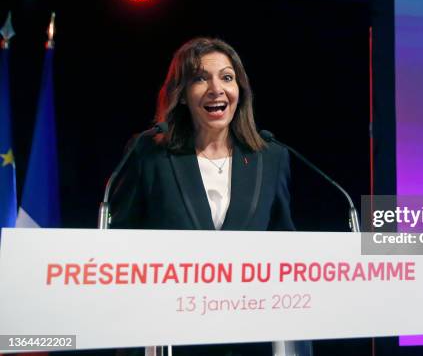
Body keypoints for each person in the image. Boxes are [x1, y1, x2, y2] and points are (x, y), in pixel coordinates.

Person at [110, 37, 295, 356]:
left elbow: (286, 245)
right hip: (169, 335)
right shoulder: (148, 154)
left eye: (226, 77)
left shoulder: (271, 157)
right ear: (181, 94)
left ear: (240, 90)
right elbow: (120, 243)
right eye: (200, 78)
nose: (216, 89)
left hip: (247, 339)